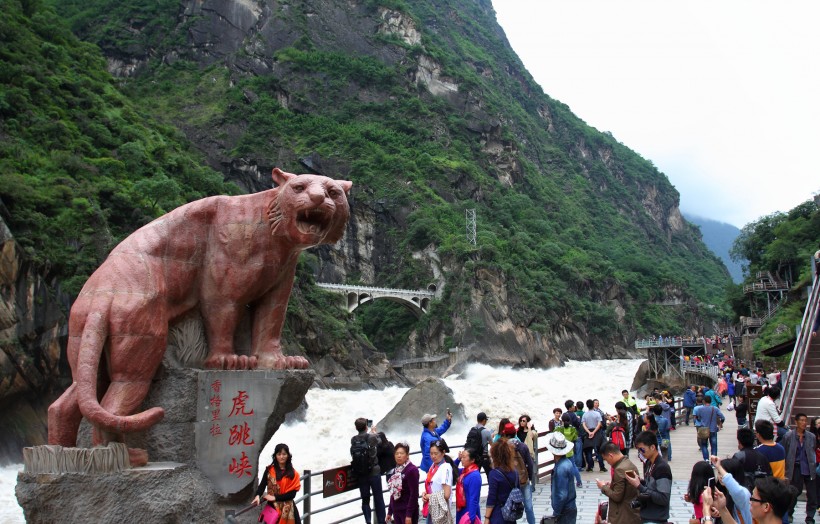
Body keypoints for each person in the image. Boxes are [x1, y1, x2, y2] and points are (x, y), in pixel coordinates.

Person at [625, 430, 672, 524]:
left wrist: (639, 486)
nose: (640, 453)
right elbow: (651, 487)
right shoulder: (649, 463)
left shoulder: (662, 468)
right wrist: (640, 482)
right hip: (647, 515)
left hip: (656, 518)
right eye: (638, 450)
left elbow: (663, 498)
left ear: (652, 447)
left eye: (642, 449)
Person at [781, 412, 818, 523]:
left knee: (812, 494)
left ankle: (810, 517)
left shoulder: (811, 436)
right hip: (794, 467)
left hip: (809, 468)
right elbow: (784, 451)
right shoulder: (788, 436)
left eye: (805, 420)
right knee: (794, 492)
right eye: (801, 420)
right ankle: (790, 513)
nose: (804, 423)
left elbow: (814, 449)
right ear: (796, 422)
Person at [253, 443, 302, 524]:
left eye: (284, 454)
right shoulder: (269, 470)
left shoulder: (293, 473)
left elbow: (292, 495)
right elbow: (262, 485)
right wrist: (258, 495)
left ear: (288, 456)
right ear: (275, 455)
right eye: (279, 454)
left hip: (289, 508)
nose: (281, 457)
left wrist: (275, 497)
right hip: (273, 508)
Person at [351, 417, 387, 524]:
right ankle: (381, 522)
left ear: (356, 428)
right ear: (366, 427)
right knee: (378, 498)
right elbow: (380, 442)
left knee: (365, 499)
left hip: (361, 473)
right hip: (374, 472)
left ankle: (368, 521)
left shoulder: (353, 439)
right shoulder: (371, 437)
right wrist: (374, 432)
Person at [595, 442, 641, 524]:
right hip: (632, 513)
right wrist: (612, 485)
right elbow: (626, 487)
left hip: (623, 516)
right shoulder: (628, 463)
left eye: (606, 459)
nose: (607, 463)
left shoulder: (619, 469)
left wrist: (603, 487)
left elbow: (617, 496)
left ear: (611, 455)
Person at [500, 422, 536, 524]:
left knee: (511, 506)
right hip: (523, 480)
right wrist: (528, 477)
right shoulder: (523, 446)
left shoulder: (503, 448)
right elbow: (530, 464)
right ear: (515, 433)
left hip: (509, 481)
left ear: (505, 435)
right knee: (529, 507)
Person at [484, 437, 519, 524]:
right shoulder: (514, 472)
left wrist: (487, 517)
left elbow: (491, 498)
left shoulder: (494, 474)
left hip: (498, 514)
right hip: (511, 513)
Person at [546, 432, 578, 524]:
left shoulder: (561, 468)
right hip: (570, 506)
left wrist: (556, 513)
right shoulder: (567, 462)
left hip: (564, 510)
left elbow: (562, 495)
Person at [711, 456, 753, 524]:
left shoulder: (743, 494)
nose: (721, 476)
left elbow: (736, 491)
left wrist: (719, 467)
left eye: (723, 473)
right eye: (719, 472)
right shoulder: (720, 493)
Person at [386, 442, 419, 524]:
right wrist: (390, 511)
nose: (399, 456)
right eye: (396, 453)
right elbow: (393, 493)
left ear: (407, 455)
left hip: (407, 511)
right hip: (396, 510)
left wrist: (409, 515)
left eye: (401, 453)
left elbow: (414, 494)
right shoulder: (395, 470)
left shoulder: (412, 470)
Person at [733, 427, 773, 492]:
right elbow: (769, 475)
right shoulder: (762, 456)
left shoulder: (739, 456)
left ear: (739, 441)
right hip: (760, 492)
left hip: (743, 492)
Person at [421, 440, 452, 524]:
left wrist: (429, 496)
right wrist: (425, 494)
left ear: (443, 453)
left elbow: (446, 494)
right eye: (431, 453)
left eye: (436, 453)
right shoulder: (433, 465)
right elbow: (433, 486)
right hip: (432, 508)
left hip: (440, 511)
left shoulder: (445, 468)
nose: (433, 456)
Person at [553, 412, 583, 487]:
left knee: (558, 466)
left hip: (560, 452)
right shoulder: (573, 429)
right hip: (569, 450)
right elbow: (575, 438)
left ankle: (558, 482)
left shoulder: (559, 428)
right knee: (573, 466)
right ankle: (579, 482)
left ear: (562, 420)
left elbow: (554, 436)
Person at [455, 448, 481, 524]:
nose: (462, 459)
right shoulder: (464, 471)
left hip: (469, 511)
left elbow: (474, 498)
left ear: (472, 460)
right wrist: (458, 459)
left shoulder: (474, 476)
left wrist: (471, 518)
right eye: (462, 457)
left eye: (464, 457)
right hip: (461, 509)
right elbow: (452, 469)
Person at [696, 395, 724, 460]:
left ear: (704, 401)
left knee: (704, 445)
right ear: (710, 401)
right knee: (714, 446)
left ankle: (706, 459)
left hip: (703, 429)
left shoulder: (700, 409)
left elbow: (698, 418)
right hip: (713, 429)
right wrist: (720, 425)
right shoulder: (715, 409)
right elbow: (722, 417)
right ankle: (713, 461)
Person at [465, 412, 493, 476]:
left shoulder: (472, 430)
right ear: (484, 420)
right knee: (490, 476)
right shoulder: (486, 431)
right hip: (484, 457)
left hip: (475, 457)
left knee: (475, 475)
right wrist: (490, 437)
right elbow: (492, 445)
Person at [583, 398, 607, 472]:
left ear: (587, 406)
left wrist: (589, 432)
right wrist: (594, 432)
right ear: (593, 405)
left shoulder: (585, 414)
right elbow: (599, 424)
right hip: (597, 432)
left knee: (589, 451)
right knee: (599, 451)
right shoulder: (597, 413)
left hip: (588, 433)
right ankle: (602, 467)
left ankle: (590, 467)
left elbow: (584, 424)